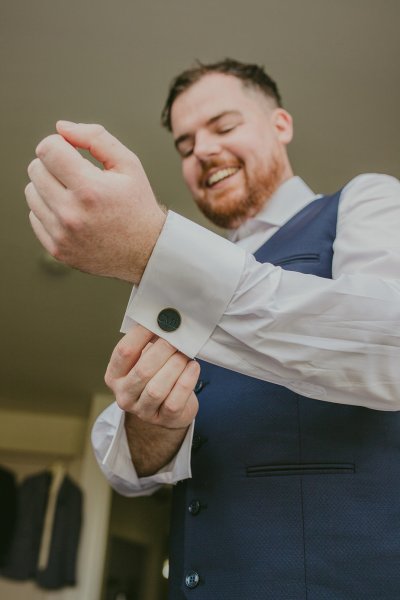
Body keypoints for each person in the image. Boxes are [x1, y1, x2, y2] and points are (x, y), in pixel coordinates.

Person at [25, 59, 400, 599]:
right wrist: (154, 423)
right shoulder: (180, 273)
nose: (201, 150)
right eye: (184, 145)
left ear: (280, 124)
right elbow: (124, 467)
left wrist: (153, 247)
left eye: (223, 127)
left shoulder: (363, 200)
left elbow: (386, 339)